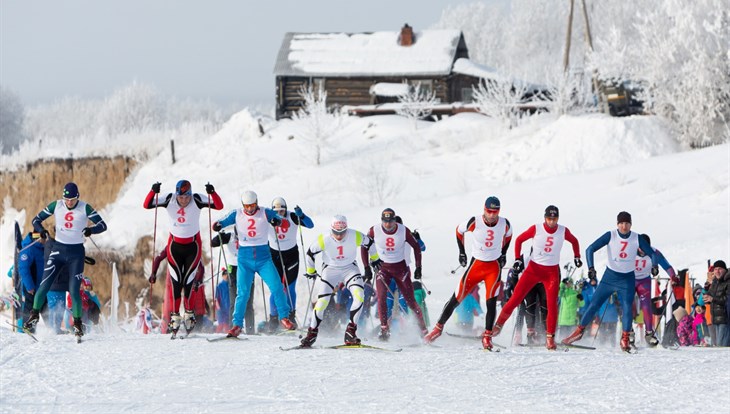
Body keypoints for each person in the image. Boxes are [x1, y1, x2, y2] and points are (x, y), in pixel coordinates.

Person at [424, 196, 512, 348]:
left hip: (493, 268)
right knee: (456, 298)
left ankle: (487, 336)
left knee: (491, 302)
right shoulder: (475, 221)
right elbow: (459, 231)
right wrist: (461, 253)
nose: (491, 215)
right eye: (489, 211)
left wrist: (503, 253)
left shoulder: (505, 223)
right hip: (476, 266)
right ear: (484, 210)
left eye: (495, 211)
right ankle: (437, 329)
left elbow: (509, 236)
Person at [23, 182, 107, 340]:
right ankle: (33, 318)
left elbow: (103, 225)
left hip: (76, 254)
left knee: (74, 291)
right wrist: (42, 231)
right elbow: (36, 220)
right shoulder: (56, 205)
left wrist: (91, 230)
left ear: (78, 197)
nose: (69, 202)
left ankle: (77, 324)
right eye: (66, 199)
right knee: (44, 286)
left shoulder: (85, 207)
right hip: (58, 251)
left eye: (72, 199)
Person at [562, 211, 655, 351]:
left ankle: (625, 339)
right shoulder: (611, 235)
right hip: (609, 277)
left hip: (627, 279)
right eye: (621, 223)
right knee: (594, 304)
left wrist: (654, 266)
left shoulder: (636, 238)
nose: (624, 226)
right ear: (617, 224)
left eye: (627, 223)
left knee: (627, 308)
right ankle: (578, 333)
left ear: (631, 224)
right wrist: (591, 268)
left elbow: (652, 253)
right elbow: (590, 249)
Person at [492, 205, 582, 350]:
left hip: (551, 272)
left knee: (552, 304)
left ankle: (550, 338)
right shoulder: (536, 228)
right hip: (533, 270)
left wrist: (577, 256)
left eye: (554, 219)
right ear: (544, 218)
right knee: (516, 298)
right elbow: (519, 240)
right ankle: (498, 326)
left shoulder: (563, 230)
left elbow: (574, 241)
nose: (551, 222)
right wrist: (516, 259)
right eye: (549, 219)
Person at [144, 179, 223, 336]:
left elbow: (219, 206)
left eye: (187, 197)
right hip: (174, 247)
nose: (184, 200)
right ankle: (175, 316)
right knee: (176, 284)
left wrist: (212, 192)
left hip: (193, 247)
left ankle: (189, 314)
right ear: (177, 194)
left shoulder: (198, 199)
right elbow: (147, 205)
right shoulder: (169, 199)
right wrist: (153, 191)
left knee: (188, 283)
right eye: (181, 197)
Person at [212, 190, 294, 337]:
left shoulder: (265, 212)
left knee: (277, 287)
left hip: (263, 258)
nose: (250, 209)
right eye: (247, 206)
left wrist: (278, 221)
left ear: (257, 202)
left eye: (253, 205)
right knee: (242, 293)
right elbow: (221, 222)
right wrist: (217, 225)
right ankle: (237, 325)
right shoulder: (236, 213)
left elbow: (285, 223)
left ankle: (284, 317)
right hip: (245, 259)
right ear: (243, 205)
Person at [299, 215, 372, 347]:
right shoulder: (324, 239)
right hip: (330, 270)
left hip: (350, 268)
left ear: (347, 229)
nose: (339, 236)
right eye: (336, 232)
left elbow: (370, 244)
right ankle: (311, 334)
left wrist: (375, 259)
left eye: (342, 232)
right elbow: (310, 253)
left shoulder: (355, 235)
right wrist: (311, 271)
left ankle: (351, 332)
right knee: (322, 302)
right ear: (331, 229)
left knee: (359, 296)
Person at [362, 208, 428, 341]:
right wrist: (367, 267)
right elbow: (364, 246)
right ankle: (384, 329)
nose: (388, 224)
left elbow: (418, 247)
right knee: (383, 299)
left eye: (391, 221)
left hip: (401, 269)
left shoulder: (404, 230)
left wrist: (418, 267)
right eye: (385, 221)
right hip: (383, 269)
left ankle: (423, 330)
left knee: (410, 301)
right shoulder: (374, 230)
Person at [267, 197, 314, 331]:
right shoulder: (267, 217)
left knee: (290, 287)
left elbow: (310, 225)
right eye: (277, 211)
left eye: (282, 211)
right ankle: (273, 319)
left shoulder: (292, 217)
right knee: (276, 288)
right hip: (274, 255)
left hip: (291, 255)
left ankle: (291, 316)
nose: (279, 213)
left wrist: (302, 215)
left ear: (285, 209)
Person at [633, 233, 678, 347]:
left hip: (644, 281)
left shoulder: (654, 252)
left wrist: (673, 276)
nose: (643, 251)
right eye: (641, 247)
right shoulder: (631, 250)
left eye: (646, 247)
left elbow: (666, 266)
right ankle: (628, 333)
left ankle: (649, 334)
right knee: (628, 304)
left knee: (646, 305)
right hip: (630, 279)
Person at [149, 246, 205, 334]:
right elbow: (159, 258)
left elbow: (201, 267)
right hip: (175, 279)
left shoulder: (192, 245)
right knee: (172, 300)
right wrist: (153, 273)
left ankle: (192, 326)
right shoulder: (171, 246)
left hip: (188, 277)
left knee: (191, 300)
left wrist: (198, 281)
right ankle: (171, 326)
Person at [211, 230, 256, 334]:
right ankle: (233, 328)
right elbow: (213, 243)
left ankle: (250, 329)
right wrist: (220, 236)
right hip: (233, 269)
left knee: (248, 301)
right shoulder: (230, 236)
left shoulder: (250, 233)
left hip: (247, 268)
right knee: (234, 301)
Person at [17, 231, 44, 330]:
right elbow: (24, 269)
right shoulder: (29, 249)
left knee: (44, 306)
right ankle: (27, 328)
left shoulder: (42, 248)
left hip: (41, 285)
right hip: (32, 286)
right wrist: (29, 286)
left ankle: (53, 328)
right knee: (30, 306)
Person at [703, 260, 729, 346]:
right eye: (716, 269)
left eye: (720, 269)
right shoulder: (715, 282)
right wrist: (706, 297)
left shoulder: (728, 282)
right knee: (719, 346)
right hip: (716, 318)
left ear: (725, 270)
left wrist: (712, 299)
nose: (717, 271)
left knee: (722, 347)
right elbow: (710, 295)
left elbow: (727, 299)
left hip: (726, 319)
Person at [215, 268, 231, 333]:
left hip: (229, 307)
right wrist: (218, 306)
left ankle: (228, 334)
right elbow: (216, 297)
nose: (226, 276)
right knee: (221, 324)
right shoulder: (219, 285)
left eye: (227, 275)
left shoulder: (231, 285)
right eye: (225, 275)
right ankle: (216, 334)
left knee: (227, 324)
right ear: (223, 276)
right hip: (221, 307)